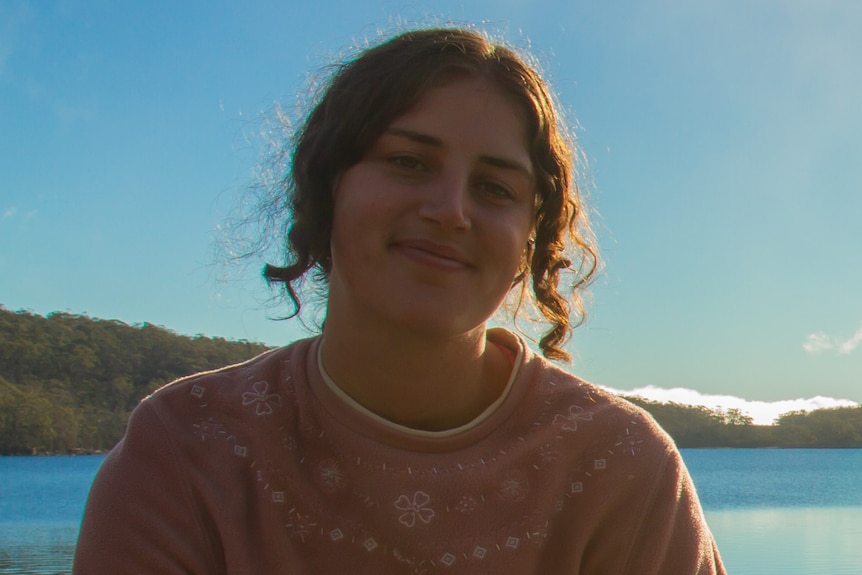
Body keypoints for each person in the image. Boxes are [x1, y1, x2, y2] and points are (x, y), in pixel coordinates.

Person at [73, 27, 726, 574]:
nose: (449, 210)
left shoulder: (620, 468)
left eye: (494, 188)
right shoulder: (188, 450)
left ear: (532, 237)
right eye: (409, 163)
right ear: (330, 187)